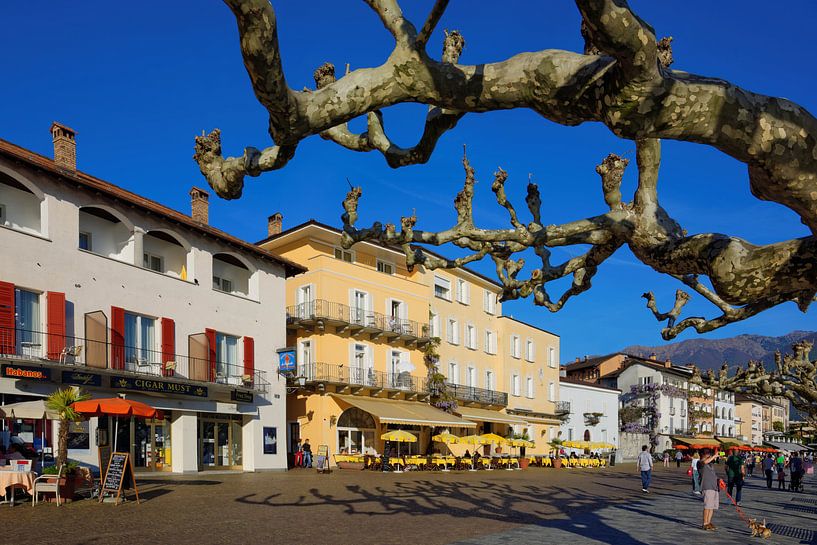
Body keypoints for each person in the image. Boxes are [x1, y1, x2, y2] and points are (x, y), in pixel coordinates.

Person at [699, 448, 721, 531]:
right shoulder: (700, 463)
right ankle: (705, 523)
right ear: (703, 455)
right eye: (707, 454)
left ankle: (709, 522)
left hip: (714, 487)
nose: (709, 455)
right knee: (707, 506)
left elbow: (712, 475)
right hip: (707, 487)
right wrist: (714, 456)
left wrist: (718, 480)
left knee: (712, 506)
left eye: (709, 454)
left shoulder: (711, 465)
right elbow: (704, 462)